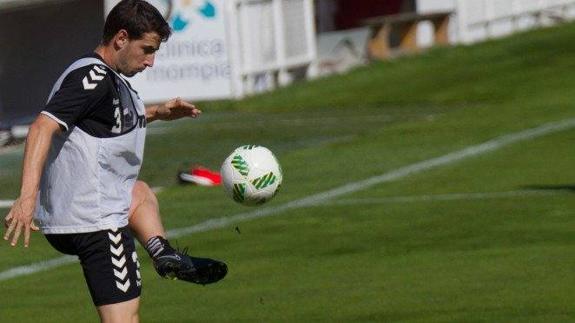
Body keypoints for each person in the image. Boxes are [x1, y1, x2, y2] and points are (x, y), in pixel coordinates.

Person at [2, 1, 227, 322]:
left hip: (84, 211)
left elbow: (103, 120)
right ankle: (163, 254)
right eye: (146, 50)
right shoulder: (92, 77)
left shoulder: (105, 78)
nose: (151, 61)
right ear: (121, 38)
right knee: (124, 319)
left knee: (139, 192)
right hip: (95, 221)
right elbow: (41, 127)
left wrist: (157, 113)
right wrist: (26, 199)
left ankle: (163, 253)